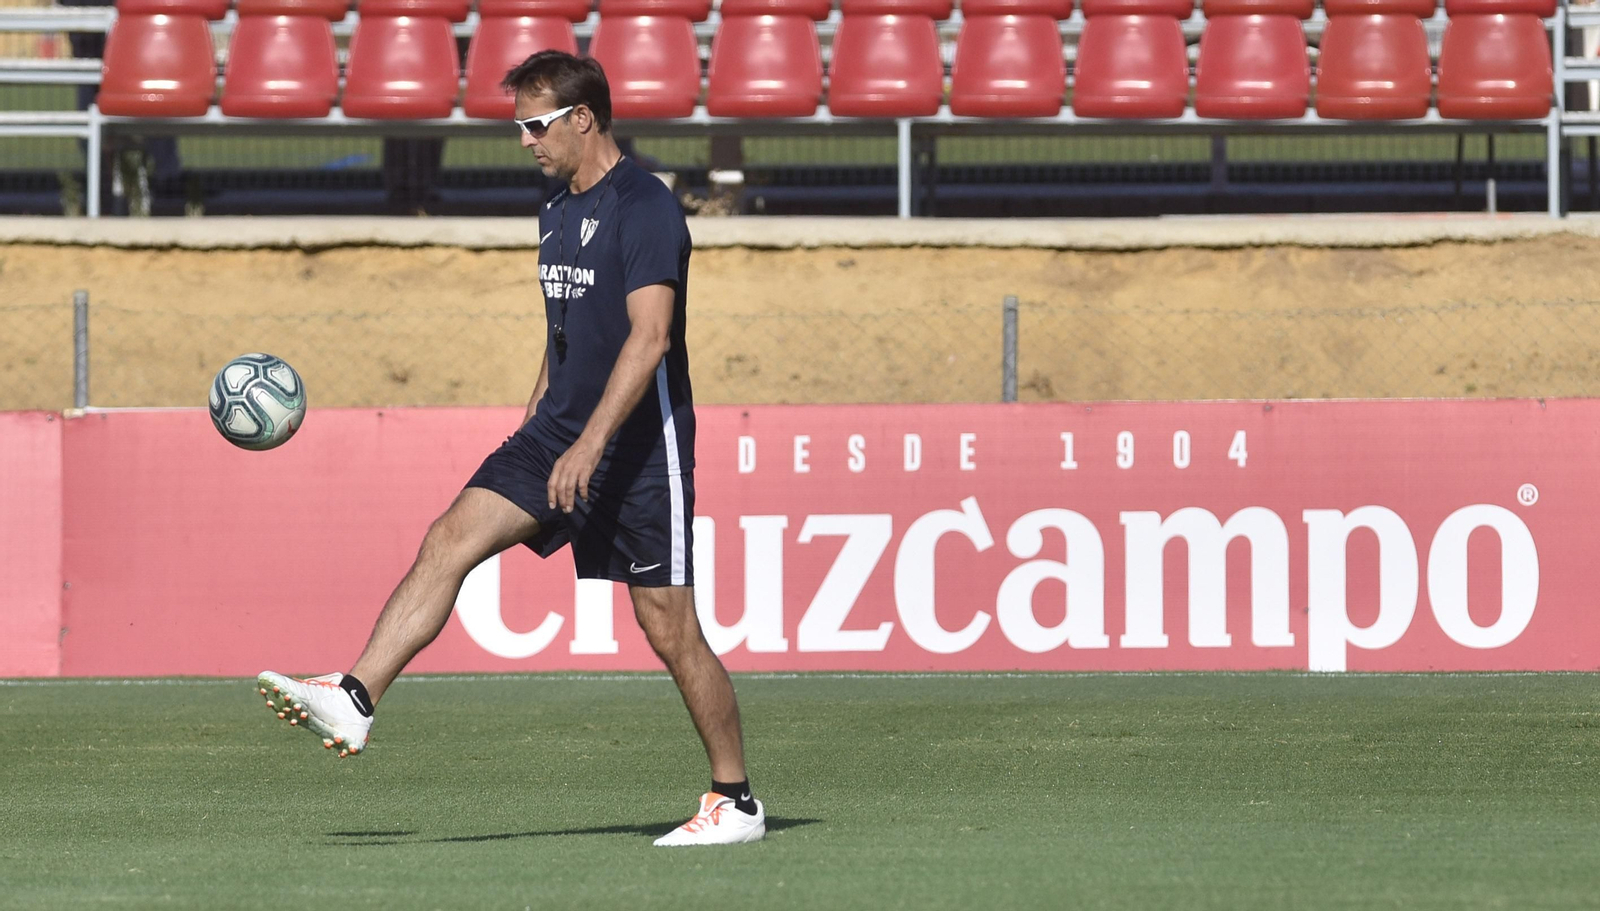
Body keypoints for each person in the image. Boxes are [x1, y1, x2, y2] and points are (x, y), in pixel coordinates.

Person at [256, 50, 765, 848]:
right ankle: (355, 697)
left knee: (670, 630)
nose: (526, 141)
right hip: (557, 435)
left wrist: (591, 443)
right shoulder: (556, 210)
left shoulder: (647, 207)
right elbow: (564, 328)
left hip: (637, 449)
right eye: (520, 126)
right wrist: (538, 423)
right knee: (449, 536)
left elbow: (651, 336)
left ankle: (734, 799)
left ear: (583, 118)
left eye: (536, 124)